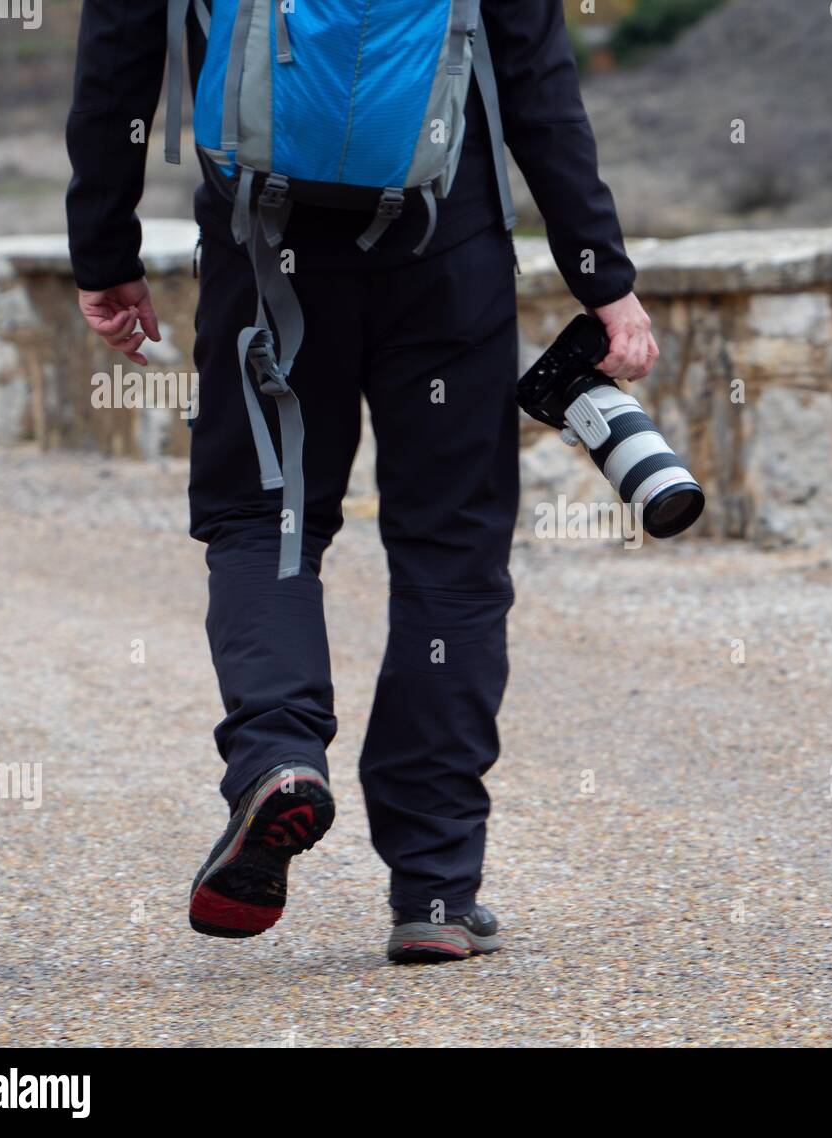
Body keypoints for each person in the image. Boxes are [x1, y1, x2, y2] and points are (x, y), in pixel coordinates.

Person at [66, 0, 659, 962]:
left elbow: (117, 63)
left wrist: (103, 250)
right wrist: (602, 277)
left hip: (264, 253)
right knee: (451, 553)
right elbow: (538, 84)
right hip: (446, 255)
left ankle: (278, 758)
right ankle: (435, 887)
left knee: (265, 520)